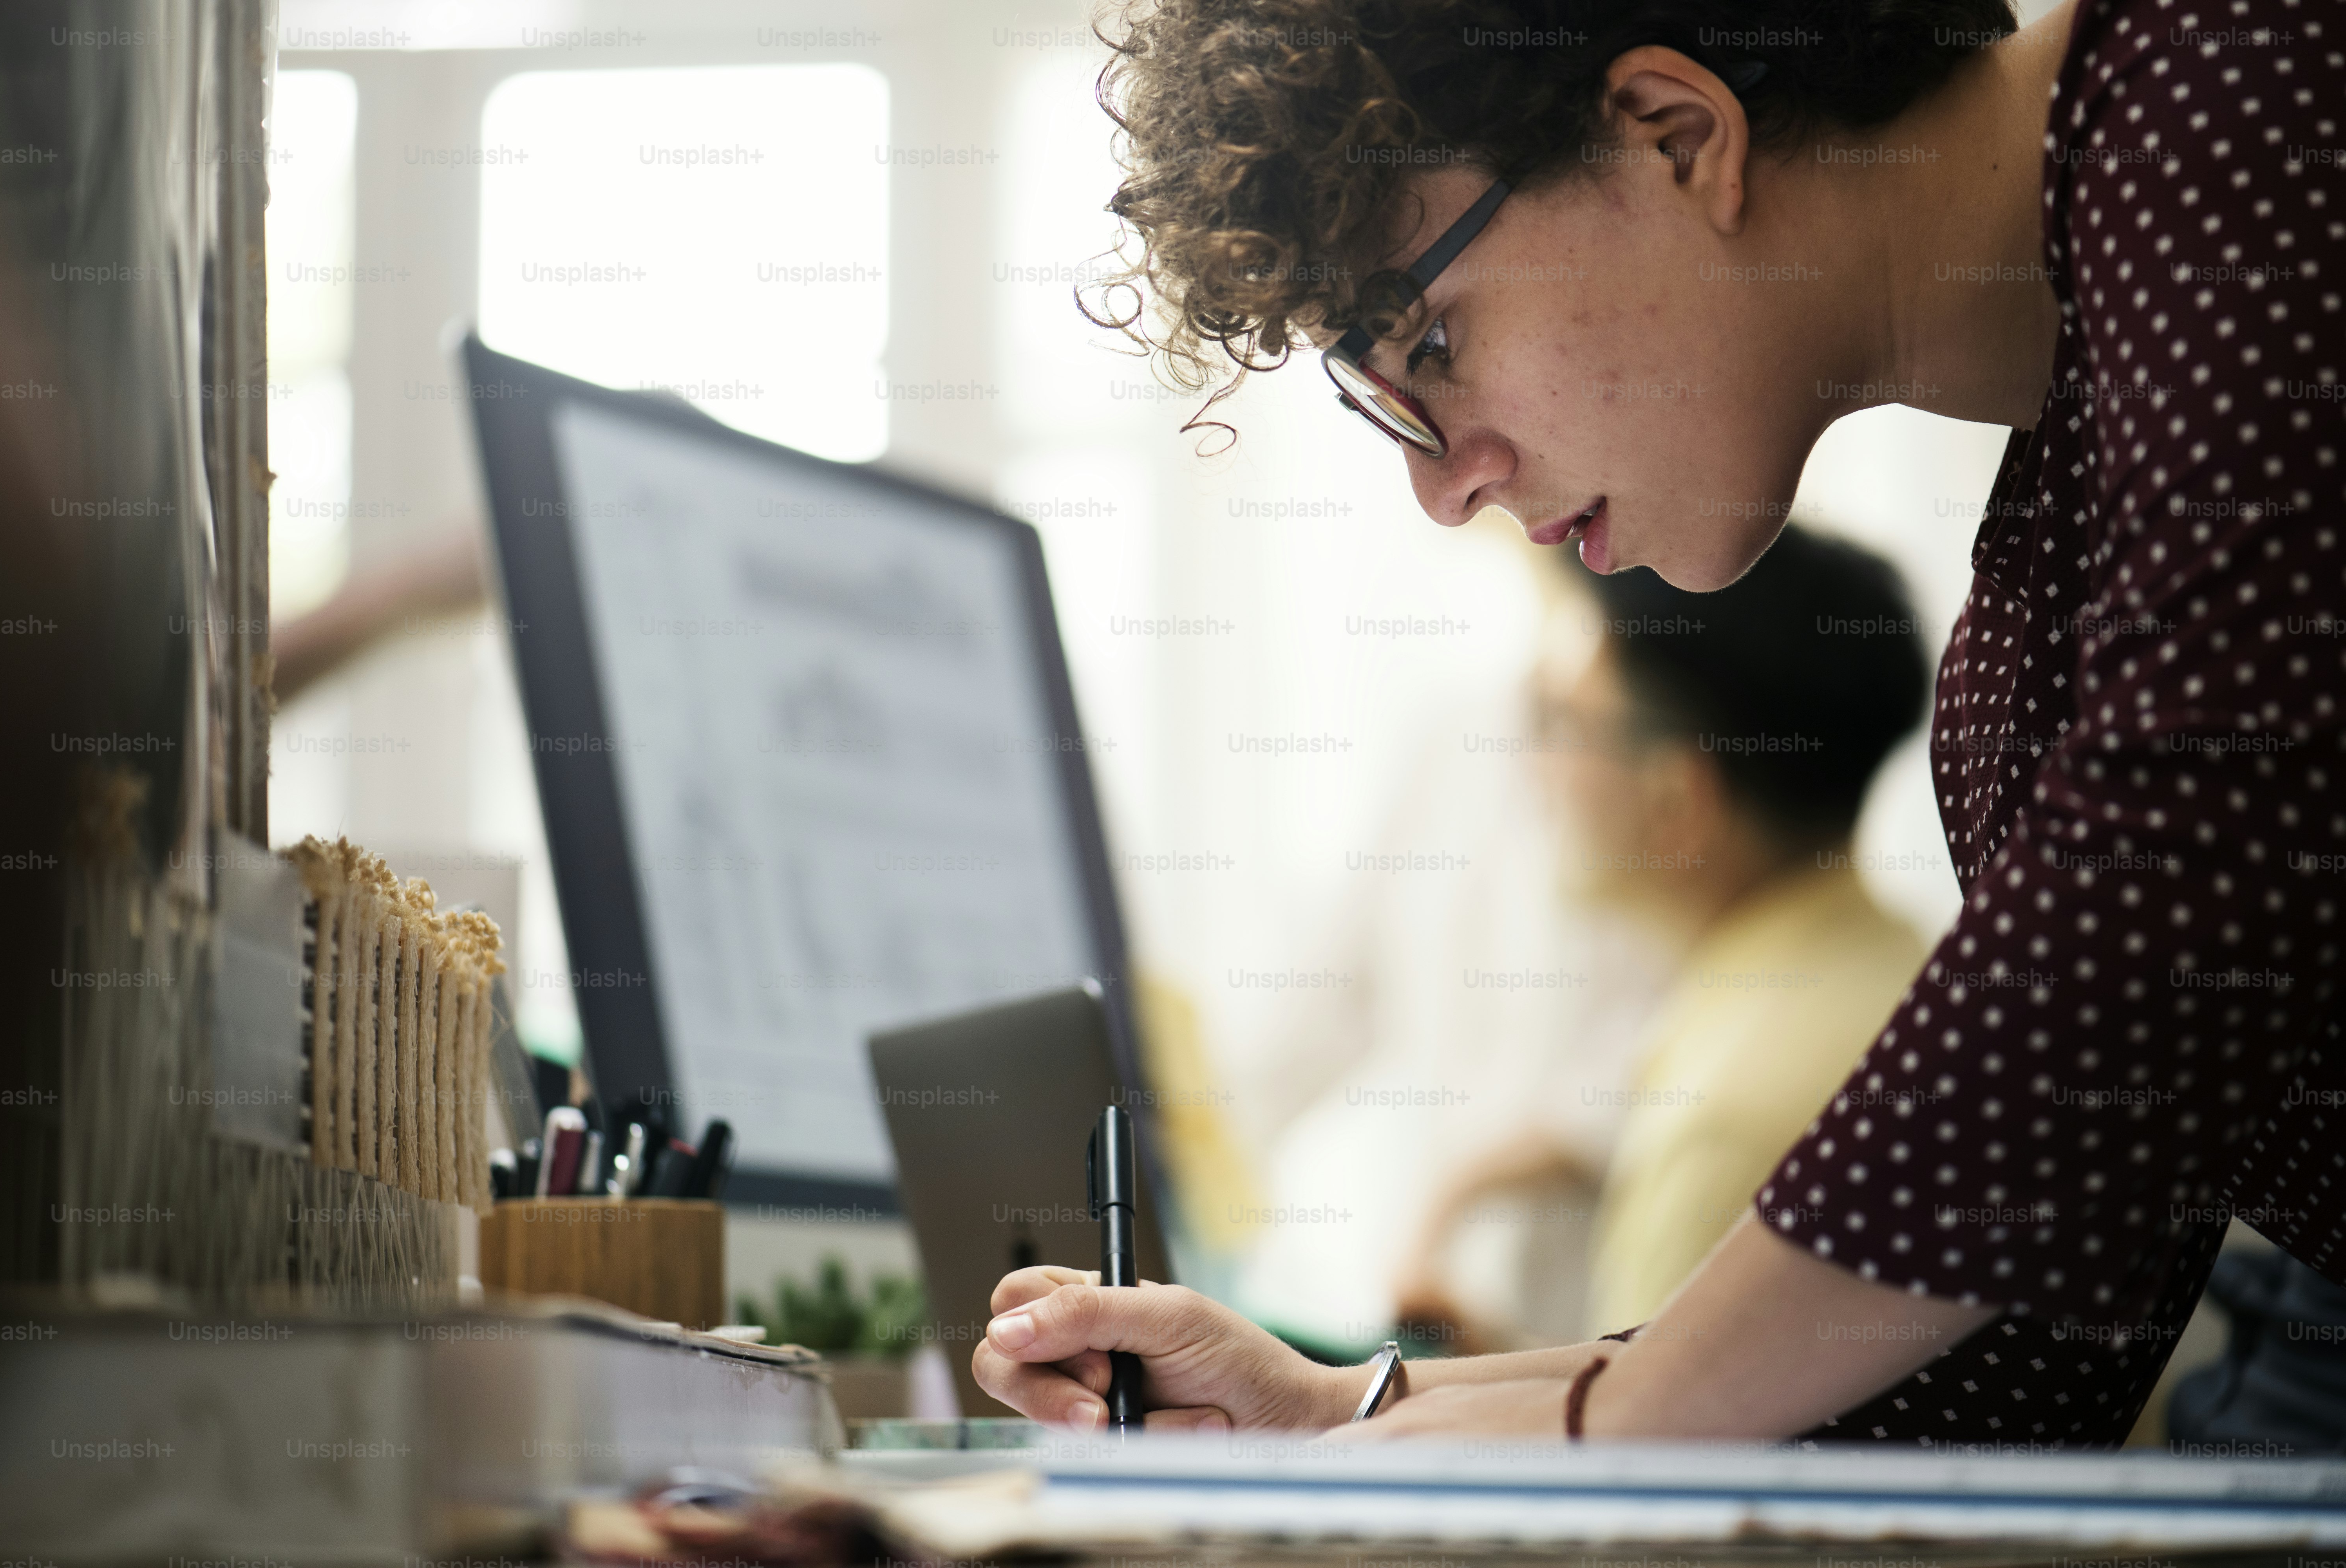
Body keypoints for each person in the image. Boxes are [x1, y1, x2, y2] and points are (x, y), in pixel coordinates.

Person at [971, 0, 2345, 1448]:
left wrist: (1604, 1424)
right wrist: (1346, 1412)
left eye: (1429, 343)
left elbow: (2201, 857)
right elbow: (2021, 1342)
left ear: (1674, 138)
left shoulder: (2243, 68)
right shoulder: (2031, 636)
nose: (1444, 492)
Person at [1400, 526, 1937, 1342]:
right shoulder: (1902, 973)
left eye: (1566, 724)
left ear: (1676, 802)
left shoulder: (1727, 1119)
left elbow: (1647, 1466)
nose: (1535, 766)